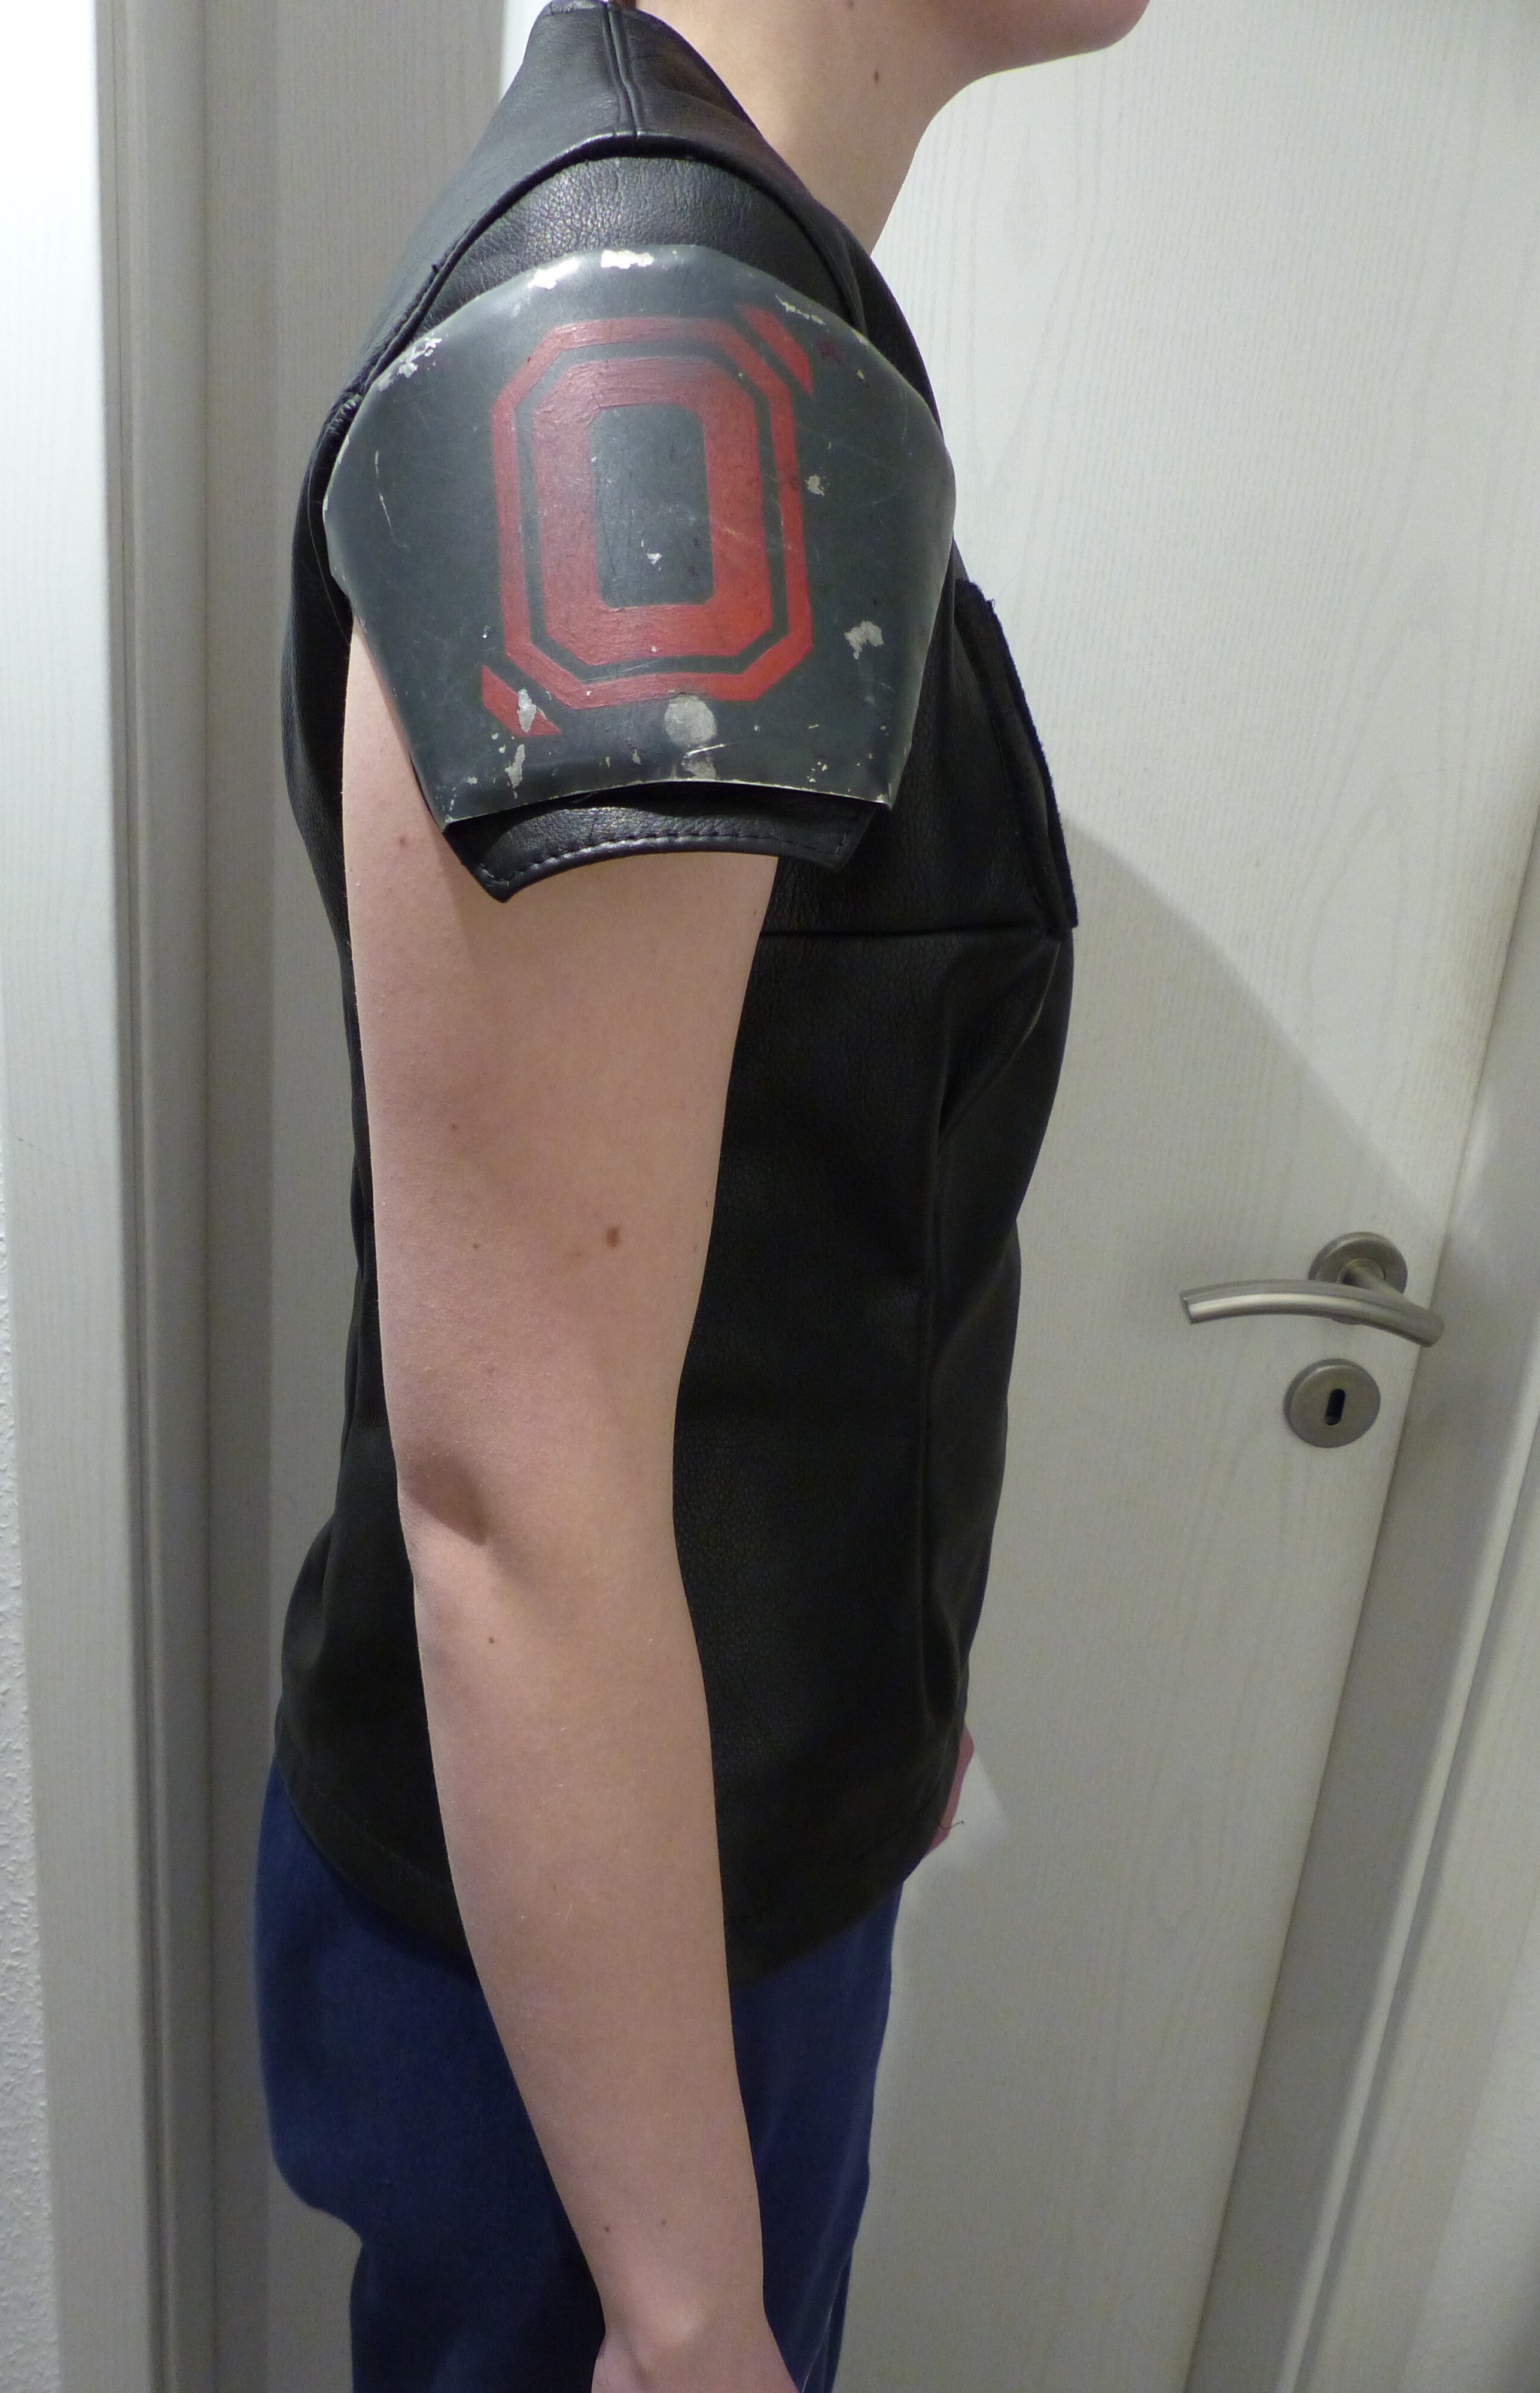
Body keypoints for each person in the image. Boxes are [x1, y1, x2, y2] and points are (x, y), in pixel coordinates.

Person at [257, 3, 1151, 2388]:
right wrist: (684, 2315)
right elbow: (518, 1502)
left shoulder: (722, 271)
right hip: (612, 1945)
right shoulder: (656, 327)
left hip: (680, 1845)